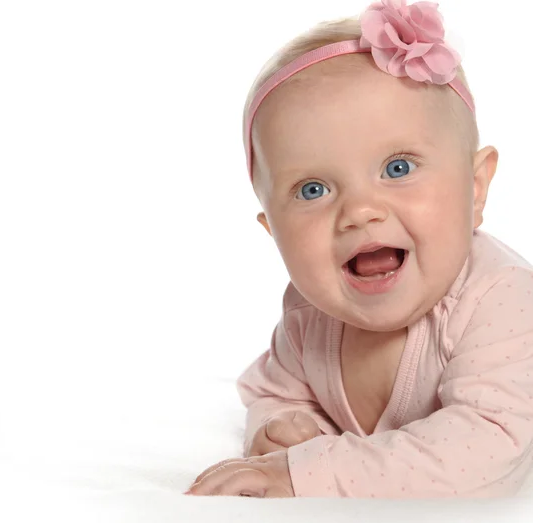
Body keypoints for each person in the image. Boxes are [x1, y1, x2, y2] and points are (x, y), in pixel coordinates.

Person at [185, 0, 533, 497]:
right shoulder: (309, 314)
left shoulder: (501, 301)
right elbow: (270, 389)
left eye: (398, 168)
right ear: (272, 230)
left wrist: (304, 471)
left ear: (475, 188)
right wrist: (282, 423)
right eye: (312, 190)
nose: (360, 211)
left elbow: (490, 449)